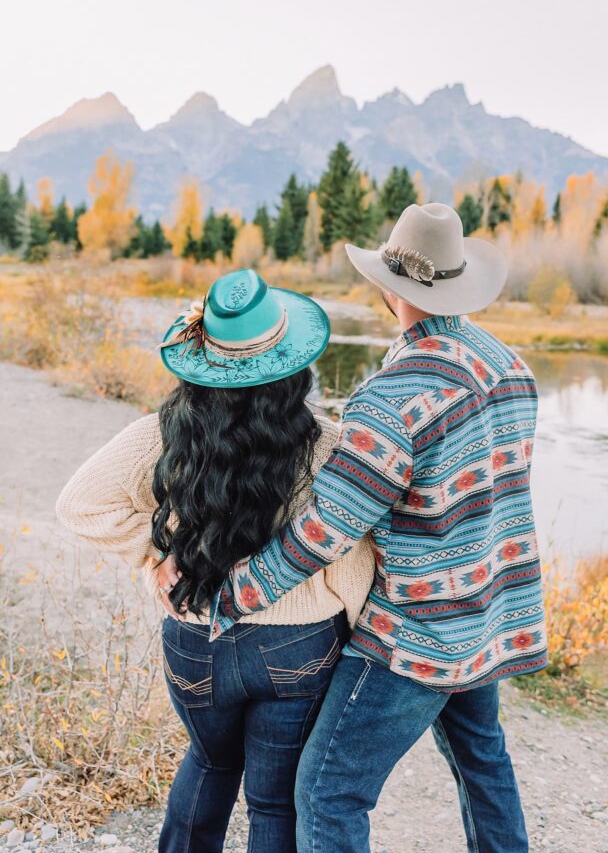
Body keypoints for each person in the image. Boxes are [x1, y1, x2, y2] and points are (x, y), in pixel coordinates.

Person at [210, 203, 548, 853]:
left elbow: (325, 532)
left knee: (325, 793)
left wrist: (233, 593)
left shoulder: (389, 400)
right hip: (487, 619)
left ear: (388, 288)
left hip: (416, 635)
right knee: (485, 767)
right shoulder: (511, 368)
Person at [55, 270, 374, 853]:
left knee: (208, 765)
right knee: (274, 800)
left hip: (194, 638)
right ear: (294, 366)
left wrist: (152, 557)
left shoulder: (160, 436)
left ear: (202, 359)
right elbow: (346, 559)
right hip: (297, 648)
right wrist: (353, 630)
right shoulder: (328, 446)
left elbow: (78, 504)